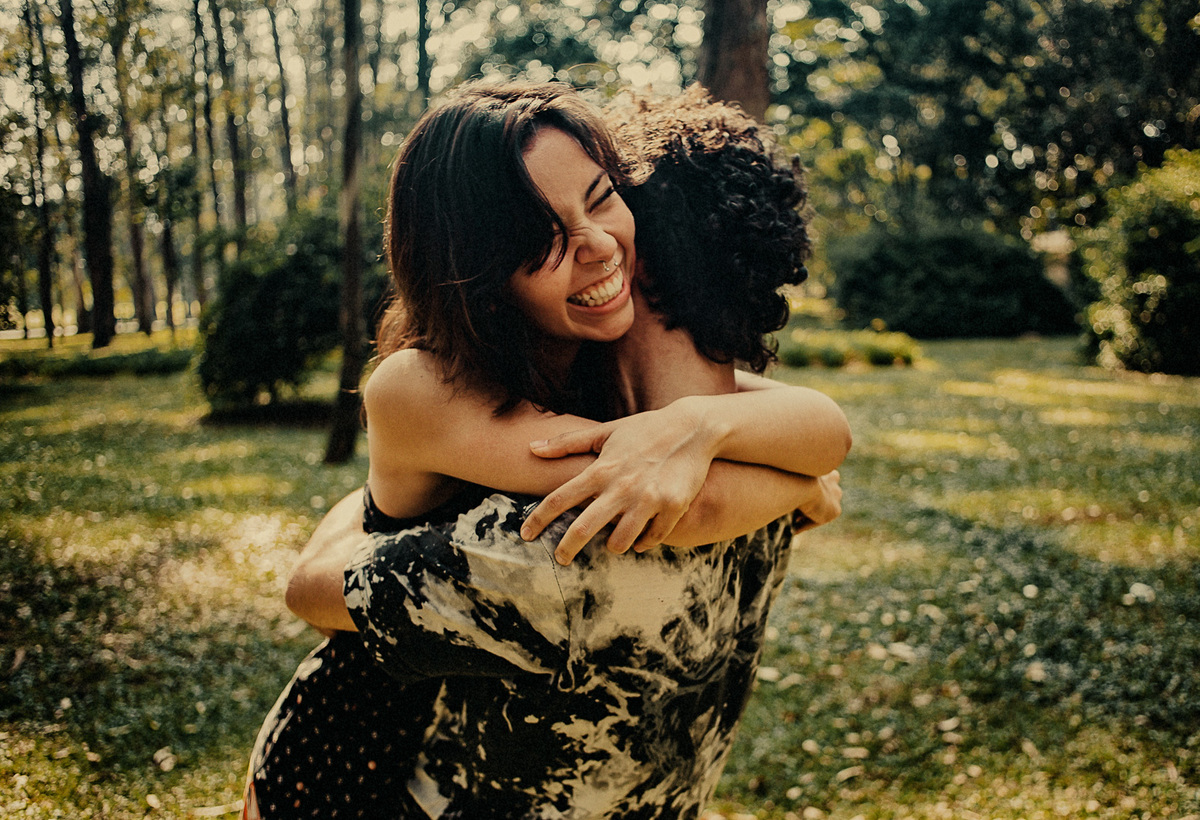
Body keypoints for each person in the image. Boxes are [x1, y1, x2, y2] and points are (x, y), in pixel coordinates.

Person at [243, 82, 849, 819]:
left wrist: (704, 425)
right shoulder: (420, 383)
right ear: (477, 272)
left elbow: (819, 425)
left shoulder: (586, 351)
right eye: (542, 237)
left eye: (600, 199)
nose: (595, 245)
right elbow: (684, 504)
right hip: (350, 757)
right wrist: (800, 488)